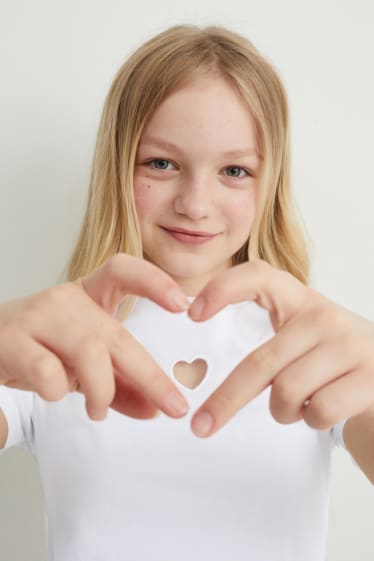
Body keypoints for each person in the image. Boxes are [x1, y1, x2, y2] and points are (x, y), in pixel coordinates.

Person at [0, 23, 373, 561]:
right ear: (118, 164)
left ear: (268, 185)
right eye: (162, 163)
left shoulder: (313, 349)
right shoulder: (53, 342)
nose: (196, 204)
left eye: (235, 171)